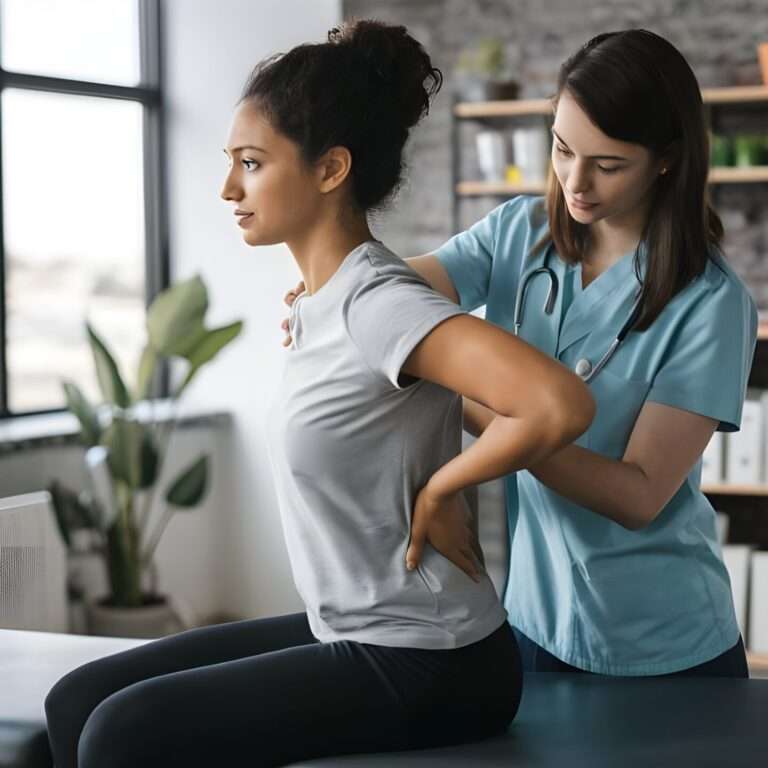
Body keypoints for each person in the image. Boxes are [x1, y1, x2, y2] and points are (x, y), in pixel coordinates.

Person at [44, 21, 595, 768]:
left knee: (119, 733)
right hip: (350, 628)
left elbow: (558, 403)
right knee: (76, 701)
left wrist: (444, 487)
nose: (228, 188)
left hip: (434, 658)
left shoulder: (378, 302)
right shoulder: (322, 301)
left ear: (331, 168)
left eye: (251, 164)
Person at [287, 29, 760, 679]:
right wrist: (334, 292)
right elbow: (399, 295)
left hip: (662, 643)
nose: (576, 181)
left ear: (666, 161)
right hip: (534, 620)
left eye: (608, 165)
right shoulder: (519, 232)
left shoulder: (711, 303)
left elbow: (639, 495)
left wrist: (505, 419)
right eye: (562, 149)